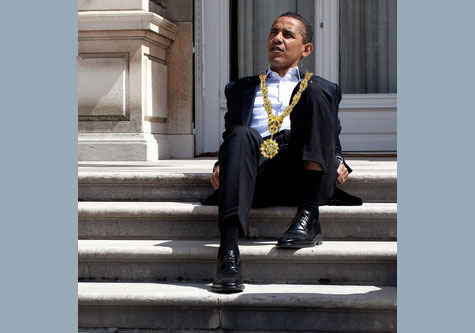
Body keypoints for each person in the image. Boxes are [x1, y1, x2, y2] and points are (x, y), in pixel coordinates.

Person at [204, 12, 361, 294]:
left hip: (306, 175)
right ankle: (228, 255)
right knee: (241, 134)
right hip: (259, 175)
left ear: (306, 49)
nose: (277, 38)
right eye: (273, 32)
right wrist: (221, 163)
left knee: (312, 90)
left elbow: (330, 135)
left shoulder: (324, 88)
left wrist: (339, 160)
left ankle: (308, 218)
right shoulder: (240, 88)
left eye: (288, 35)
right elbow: (231, 135)